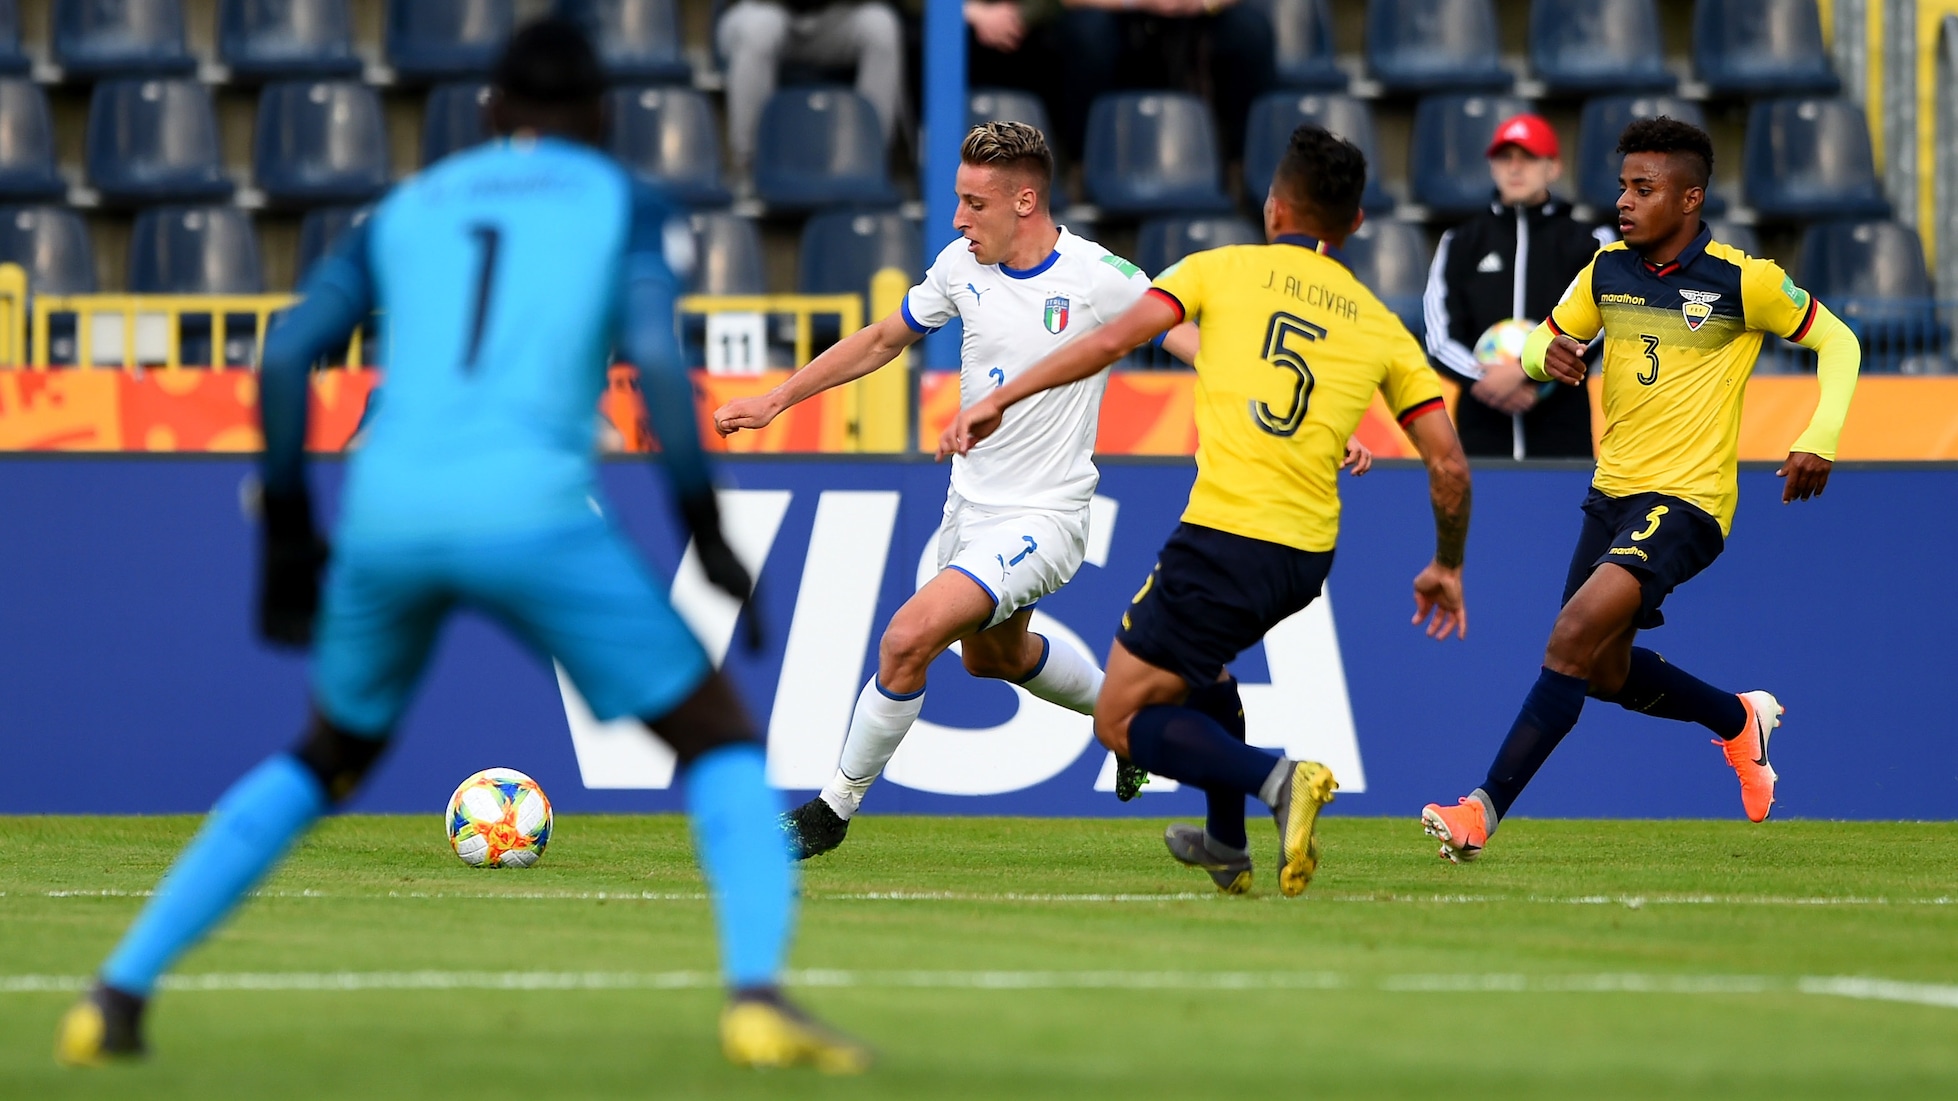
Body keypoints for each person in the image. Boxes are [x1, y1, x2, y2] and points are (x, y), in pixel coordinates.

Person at [55, 19, 868, 1073]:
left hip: (388, 506)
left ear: (488, 114)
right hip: (533, 509)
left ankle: (114, 994)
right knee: (712, 737)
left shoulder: (407, 208)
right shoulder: (627, 205)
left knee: (325, 755)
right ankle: (755, 997)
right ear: (605, 118)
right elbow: (661, 377)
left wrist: (292, 534)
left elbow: (292, 350)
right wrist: (705, 531)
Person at [944, 125, 1473, 897]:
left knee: (1122, 721)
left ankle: (1281, 781)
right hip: (1305, 556)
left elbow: (1107, 344)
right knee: (1205, 673)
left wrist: (1001, 396)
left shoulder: (1218, 271)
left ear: (1272, 209)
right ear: (1355, 225)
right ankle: (1226, 843)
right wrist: (1447, 563)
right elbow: (1450, 466)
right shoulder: (1377, 324)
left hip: (1224, 535)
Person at [715, 121, 1205, 858]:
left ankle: (830, 811)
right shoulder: (959, 266)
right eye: (958, 200)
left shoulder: (1100, 278)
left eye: (975, 203)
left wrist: (1314, 423)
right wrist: (777, 400)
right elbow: (883, 339)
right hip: (968, 512)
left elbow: (1196, 345)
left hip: (1047, 517)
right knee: (993, 659)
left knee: (906, 640)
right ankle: (1128, 716)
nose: (957, 219)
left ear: (1026, 200)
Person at [1419, 117, 1861, 863]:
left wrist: (1822, 436)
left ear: (1689, 198)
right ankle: (1737, 719)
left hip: (1688, 501)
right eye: (1623, 185)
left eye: (1643, 188)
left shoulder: (1742, 281)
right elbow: (1537, 341)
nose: (1624, 201)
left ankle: (1479, 810)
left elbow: (1840, 341)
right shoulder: (1605, 273)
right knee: (1600, 668)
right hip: (1610, 494)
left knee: (1567, 638)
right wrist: (1545, 352)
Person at [1424, 113, 1613, 459]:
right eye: (1504, 157)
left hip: (1561, 429)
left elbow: (1602, 322)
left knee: (1563, 514)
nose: (1515, 168)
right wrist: (1486, 380)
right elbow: (1440, 335)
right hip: (1481, 429)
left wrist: (1527, 372)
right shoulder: (1460, 242)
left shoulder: (1590, 241)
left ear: (1553, 167)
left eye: (1528, 157)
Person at [717, 0, 904, 185]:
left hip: (836, 14)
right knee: (760, 28)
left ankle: (870, 162)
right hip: (762, 9)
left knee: (881, 26)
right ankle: (748, 167)